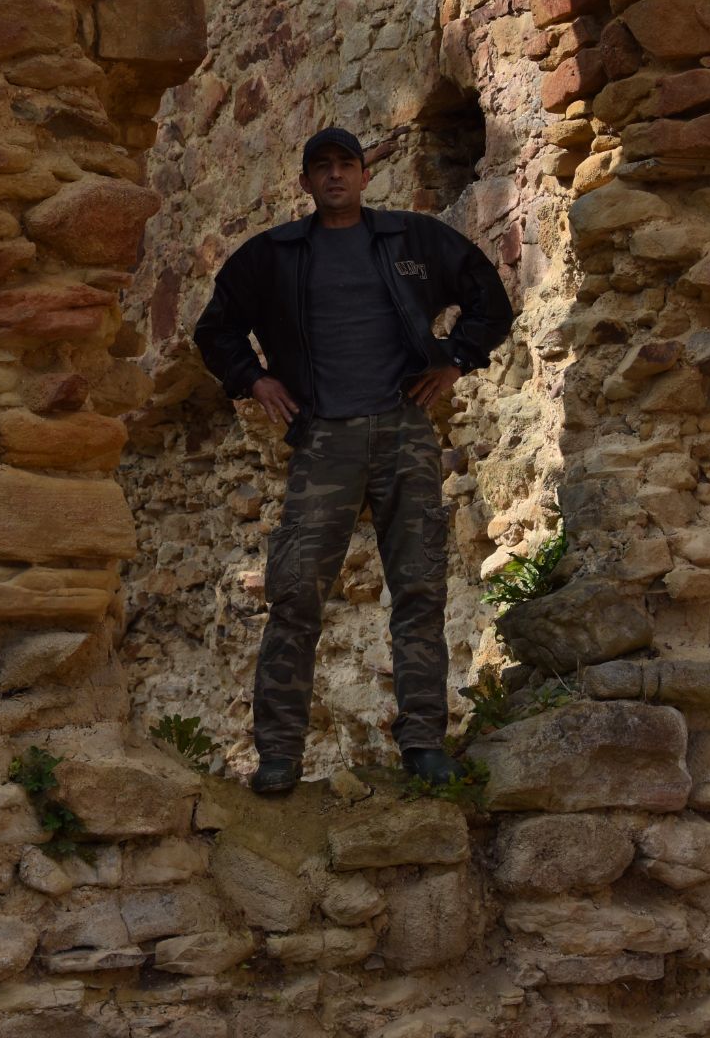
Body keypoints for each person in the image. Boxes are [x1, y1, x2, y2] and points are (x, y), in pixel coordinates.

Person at [193, 127, 515, 794]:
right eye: (322, 167)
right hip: (323, 440)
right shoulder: (273, 255)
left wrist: (455, 359)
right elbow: (215, 329)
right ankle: (279, 756)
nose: (335, 175)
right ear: (305, 183)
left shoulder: (412, 241)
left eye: (347, 164)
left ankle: (423, 745)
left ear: (366, 175)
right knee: (294, 594)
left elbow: (489, 296)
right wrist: (254, 379)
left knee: (420, 589)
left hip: (404, 431)